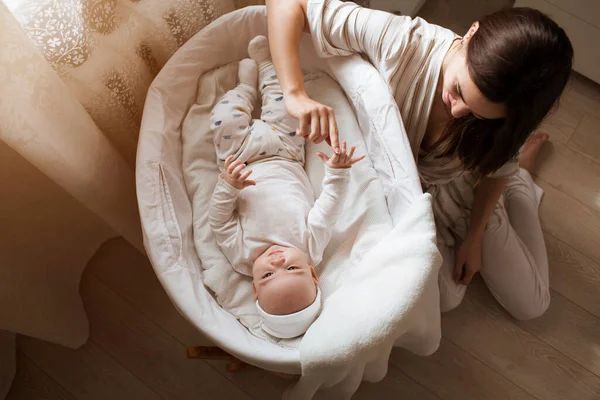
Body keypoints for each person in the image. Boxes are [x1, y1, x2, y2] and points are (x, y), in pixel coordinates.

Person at [266, 0, 573, 320]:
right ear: (470, 34)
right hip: (415, 192)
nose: (456, 112)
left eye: (479, 116)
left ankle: (520, 175)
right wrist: (294, 93)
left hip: (464, 190)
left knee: (532, 305)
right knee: (437, 295)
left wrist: (475, 235)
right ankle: (518, 175)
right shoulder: (403, 42)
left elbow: (496, 168)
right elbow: (287, 3)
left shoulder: (515, 109)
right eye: (458, 90)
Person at [208, 36, 364, 339]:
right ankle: (266, 67)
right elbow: (328, 206)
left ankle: (244, 89)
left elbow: (219, 221)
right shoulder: (309, 247)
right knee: (288, 108)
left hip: (239, 160)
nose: (278, 261)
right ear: (313, 272)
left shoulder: (241, 257)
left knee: (222, 120)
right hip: (287, 152)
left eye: (267, 274)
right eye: (292, 269)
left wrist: (228, 186)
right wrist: (338, 172)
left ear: (254, 287)